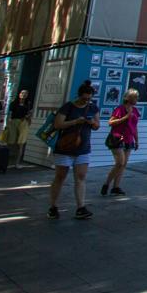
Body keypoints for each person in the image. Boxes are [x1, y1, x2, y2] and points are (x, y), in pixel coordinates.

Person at [48, 81, 100, 220]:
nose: (86, 101)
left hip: (83, 147)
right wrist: (75, 122)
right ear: (79, 96)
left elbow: (97, 126)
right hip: (65, 147)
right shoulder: (68, 107)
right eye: (84, 98)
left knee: (81, 177)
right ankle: (53, 206)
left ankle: (80, 207)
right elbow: (58, 124)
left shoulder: (93, 108)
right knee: (60, 177)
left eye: (89, 98)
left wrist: (92, 123)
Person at [102, 88, 140, 197]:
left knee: (123, 165)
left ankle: (116, 187)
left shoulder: (135, 110)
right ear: (128, 98)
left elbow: (135, 127)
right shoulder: (120, 109)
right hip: (118, 138)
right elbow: (111, 122)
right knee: (120, 163)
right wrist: (125, 117)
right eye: (135, 97)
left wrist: (137, 140)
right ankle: (106, 183)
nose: (136, 99)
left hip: (129, 139)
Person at [1, 89, 33, 168]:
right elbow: (10, 114)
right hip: (14, 122)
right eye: (22, 93)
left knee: (21, 143)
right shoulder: (14, 103)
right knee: (11, 141)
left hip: (23, 122)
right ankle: (4, 161)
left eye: (26, 93)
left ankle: (17, 163)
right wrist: (7, 123)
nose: (24, 94)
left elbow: (30, 114)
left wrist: (28, 118)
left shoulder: (28, 105)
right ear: (19, 94)